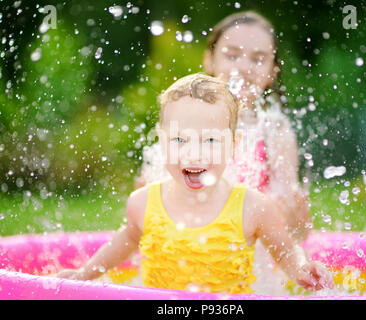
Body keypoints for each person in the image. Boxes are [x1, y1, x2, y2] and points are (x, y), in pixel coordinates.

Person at [57, 74, 333, 294]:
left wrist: (301, 269)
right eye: (179, 140)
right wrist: (85, 273)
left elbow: (284, 249)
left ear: (233, 145)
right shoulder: (142, 202)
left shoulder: (253, 207)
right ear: (162, 141)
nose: (194, 153)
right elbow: (127, 239)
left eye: (210, 140)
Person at [135, 11, 310, 244]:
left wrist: (296, 220)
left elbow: (295, 232)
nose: (244, 66)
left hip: (248, 262)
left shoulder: (274, 132)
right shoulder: (184, 118)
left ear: (272, 72)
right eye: (232, 55)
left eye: (258, 59)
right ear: (209, 60)